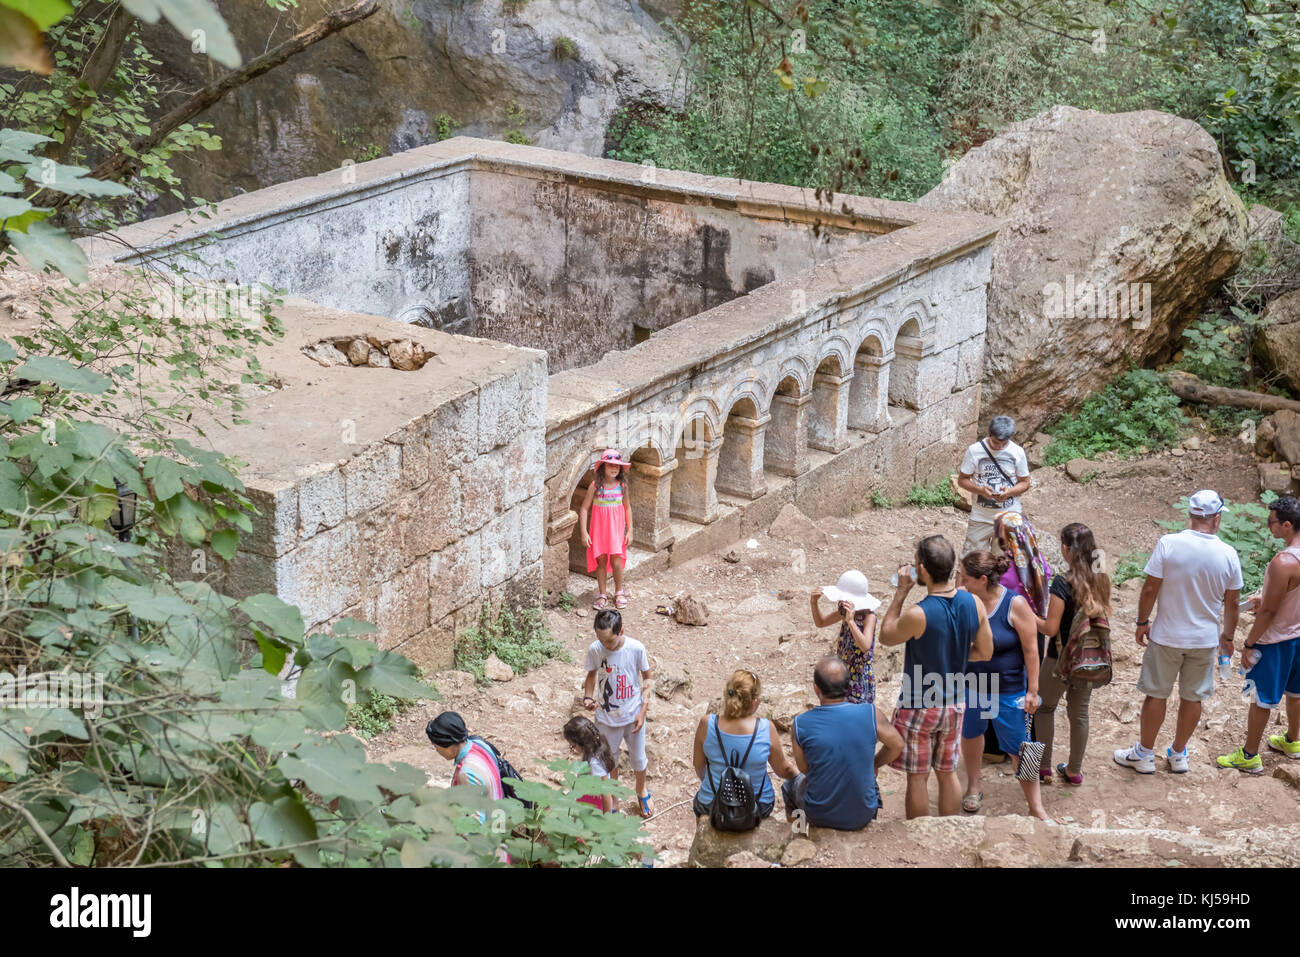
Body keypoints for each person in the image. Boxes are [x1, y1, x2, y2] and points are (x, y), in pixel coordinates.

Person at [1115, 490, 1242, 775]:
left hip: (1167, 636)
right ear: (1217, 519)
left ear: (1192, 515)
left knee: (1156, 695)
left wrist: (1141, 621)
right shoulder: (1228, 554)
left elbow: (1150, 588)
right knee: (1193, 698)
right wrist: (1229, 638)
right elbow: (1232, 603)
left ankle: (1145, 754)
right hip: (1205, 639)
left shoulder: (1168, 544)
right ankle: (1179, 753)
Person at [879, 534, 994, 819]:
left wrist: (901, 593)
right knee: (947, 772)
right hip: (955, 702)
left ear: (923, 570)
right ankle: (948, 828)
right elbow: (986, 651)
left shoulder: (919, 614)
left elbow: (886, 636)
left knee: (918, 777)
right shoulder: (974, 604)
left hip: (920, 704)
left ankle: (920, 834)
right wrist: (951, 655)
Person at [956, 550, 1049, 819]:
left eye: (964, 577)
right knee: (971, 735)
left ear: (982, 579)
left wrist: (1033, 691)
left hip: (1009, 690)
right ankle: (973, 786)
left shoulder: (1015, 604)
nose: (960, 581)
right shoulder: (965, 601)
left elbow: (1032, 650)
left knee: (1023, 746)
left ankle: (1036, 806)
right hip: (973, 685)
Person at [1217, 495, 1300, 773]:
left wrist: (1249, 643)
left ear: (1287, 525)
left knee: (1260, 697)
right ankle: (1292, 741)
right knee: (1296, 692)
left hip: (1275, 640)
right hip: (1299, 636)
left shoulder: (1283, 562)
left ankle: (1250, 754)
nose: (1268, 526)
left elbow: (1268, 612)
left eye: (1272, 521)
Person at [781, 656, 903, 830]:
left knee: (790, 785)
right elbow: (897, 744)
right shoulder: (870, 713)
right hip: (863, 815)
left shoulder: (800, 723)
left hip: (819, 814)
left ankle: (800, 832)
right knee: (869, 781)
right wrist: (874, 763)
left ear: (816, 689)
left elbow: (805, 769)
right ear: (848, 687)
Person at [1034, 522, 1111, 785]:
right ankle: (1074, 770)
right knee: (1080, 713)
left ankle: (1042, 768)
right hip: (1087, 659)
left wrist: (1026, 615)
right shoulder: (1099, 578)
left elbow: (1049, 628)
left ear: (1066, 549)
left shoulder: (1062, 583)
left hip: (1058, 659)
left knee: (1044, 708)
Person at [692, 670, 798, 823]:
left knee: (701, 801)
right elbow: (782, 770)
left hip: (712, 803)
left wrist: (714, 784)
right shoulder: (765, 728)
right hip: (757, 804)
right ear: (754, 701)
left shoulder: (706, 723)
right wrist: (799, 776)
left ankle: (703, 840)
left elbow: (699, 766)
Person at [582, 608, 654, 816]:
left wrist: (643, 711)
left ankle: (641, 790)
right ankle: (613, 796)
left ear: (621, 631)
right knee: (609, 760)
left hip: (633, 717)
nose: (605, 645)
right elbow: (591, 675)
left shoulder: (636, 649)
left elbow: (647, 679)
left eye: (610, 641)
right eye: (600, 640)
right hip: (605, 719)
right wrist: (588, 697)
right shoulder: (596, 649)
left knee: (639, 759)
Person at [957, 415, 1032, 557]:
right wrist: (980, 490)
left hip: (1008, 515)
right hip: (980, 517)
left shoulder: (1017, 452)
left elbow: (1025, 482)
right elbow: (962, 480)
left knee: (1003, 563)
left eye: (1004, 444)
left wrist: (1009, 492)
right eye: (996, 442)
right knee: (972, 560)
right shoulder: (974, 451)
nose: (999, 447)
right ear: (989, 435)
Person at [810, 569, 882, 704]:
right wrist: (814, 603)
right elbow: (821, 622)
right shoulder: (844, 612)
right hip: (842, 673)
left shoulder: (869, 616)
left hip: (859, 676)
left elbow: (866, 645)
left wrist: (851, 621)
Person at [580, 449, 634, 610]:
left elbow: (627, 508)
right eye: (610, 465)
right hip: (599, 532)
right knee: (601, 562)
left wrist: (630, 530)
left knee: (617, 561)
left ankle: (619, 591)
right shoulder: (595, 486)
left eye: (617, 466)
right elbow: (584, 508)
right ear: (603, 466)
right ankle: (602, 593)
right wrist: (584, 532)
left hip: (616, 532)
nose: (614, 468)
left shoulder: (622, 487)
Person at [426, 711, 505, 801]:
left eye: (436, 746)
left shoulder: (467, 774)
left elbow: (476, 814)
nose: (436, 750)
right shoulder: (479, 744)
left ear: (448, 745)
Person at [994, 510, 1052, 619]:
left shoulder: (1005, 570)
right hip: (1037, 618)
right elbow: (1047, 573)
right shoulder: (1037, 559)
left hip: (1012, 622)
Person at [564, 715, 618, 812]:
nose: (572, 748)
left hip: (593, 803)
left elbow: (605, 792)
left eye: (573, 746)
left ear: (582, 743)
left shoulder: (595, 764)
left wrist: (607, 818)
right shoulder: (598, 745)